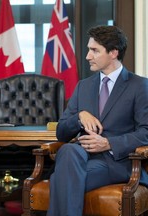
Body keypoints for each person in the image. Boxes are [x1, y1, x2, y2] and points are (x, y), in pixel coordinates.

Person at [47, 25, 148, 216]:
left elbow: (146, 132)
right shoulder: (83, 86)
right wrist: (79, 117)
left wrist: (108, 143)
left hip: (117, 162)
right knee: (68, 149)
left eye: (94, 50)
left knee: (59, 180)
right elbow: (61, 132)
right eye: (89, 50)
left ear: (113, 53)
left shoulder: (140, 86)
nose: (87, 56)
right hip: (80, 157)